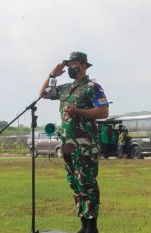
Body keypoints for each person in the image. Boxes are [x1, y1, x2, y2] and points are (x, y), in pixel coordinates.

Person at [39, 51, 109, 233]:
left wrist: (78, 111)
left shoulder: (92, 87)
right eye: (69, 64)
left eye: (74, 63)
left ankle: (92, 226)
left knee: (88, 184)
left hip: (85, 146)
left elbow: (103, 112)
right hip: (68, 146)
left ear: (84, 65)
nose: (71, 67)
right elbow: (43, 94)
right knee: (75, 184)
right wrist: (52, 75)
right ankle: (83, 224)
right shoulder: (65, 88)